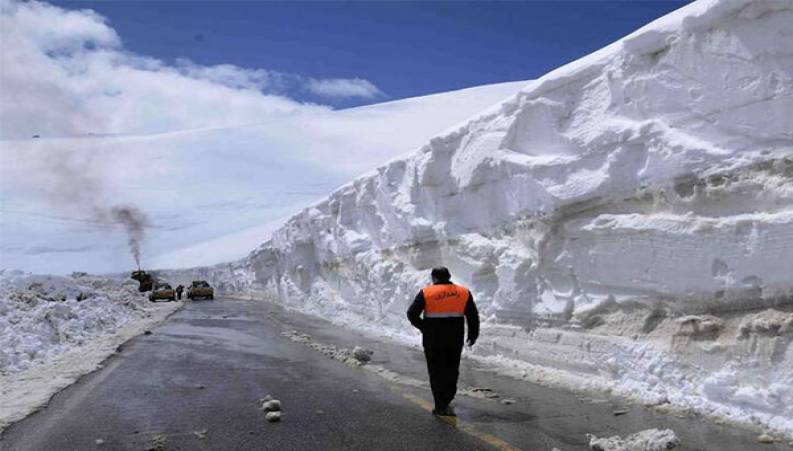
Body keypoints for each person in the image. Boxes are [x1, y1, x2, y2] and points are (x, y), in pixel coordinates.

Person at [407, 266, 479, 417]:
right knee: (452, 369)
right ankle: (447, 398)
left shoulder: (427, 292)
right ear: (449, 276)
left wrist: (424, 327)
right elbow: (472, 315)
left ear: (434, 278)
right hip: (454, 338)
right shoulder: (463, 292)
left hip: (433, 339)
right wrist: (473, 334)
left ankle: (440, 404)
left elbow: (411, 314)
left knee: (436, 370)